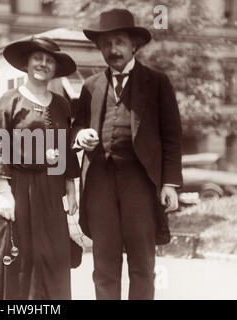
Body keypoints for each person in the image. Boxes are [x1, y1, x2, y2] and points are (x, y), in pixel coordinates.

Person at [72, 9, 182, 300]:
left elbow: (172, 137)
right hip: (99, 183)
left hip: (140, 183)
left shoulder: (157, 83)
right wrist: (80, 135)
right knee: (104, 266)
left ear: (134, 45)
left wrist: (170, 183)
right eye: (106, 44)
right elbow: (76, 125)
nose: (113, 49)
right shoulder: (91, 86)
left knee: (142, 265)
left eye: (119, 42)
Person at [0, 37, 81, 300]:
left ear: (55, 69)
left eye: (49, 61)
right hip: (17, 188)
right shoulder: (8, 102)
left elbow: (66, 148)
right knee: (17, 255)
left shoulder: (61, 104)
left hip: (50, 190)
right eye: (38, 58)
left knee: (51, 255)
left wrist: (70, 188)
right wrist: (4, 193)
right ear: (27, 63)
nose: (43, 64)